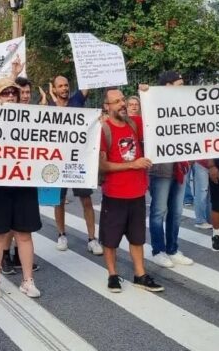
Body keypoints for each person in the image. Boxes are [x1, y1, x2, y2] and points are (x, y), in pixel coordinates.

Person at [99, 88, 164, 293]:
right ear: (107, 107)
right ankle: (112, 274)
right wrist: (132, 165)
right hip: (115, 194)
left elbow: (158, 120)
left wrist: (148, 93)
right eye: (116, 101)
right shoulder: (104, 130)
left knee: (137, 238)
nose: (122, 104)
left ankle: (140, 274)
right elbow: (103, 165)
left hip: (137, 193)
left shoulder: (134, 124)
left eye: (123, 99)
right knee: (110, 240)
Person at [0, 78, 42, 298]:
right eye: (4, 93)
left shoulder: (29, 117)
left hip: (24, 182)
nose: (10, 96)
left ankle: (28, 280)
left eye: (13, 93)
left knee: (24, 234)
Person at [47, 76, 101, 255]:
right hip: (58, 160)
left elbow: (89, 81)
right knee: (59, 201)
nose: (64, 88)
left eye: (66, 85)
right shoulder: (49, 108)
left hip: (79, 160)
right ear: (54, 89)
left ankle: (92, 239)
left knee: (86, 200)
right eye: (60, 86)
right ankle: (61, 235)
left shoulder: (77, 99)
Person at [149, 71, 193, 268]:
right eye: (179, 83)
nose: (183, 87)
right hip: (160, 169)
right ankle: (158, 250)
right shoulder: (153, 105)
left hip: (180, 166)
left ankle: (172, 248)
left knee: (176, 211)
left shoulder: (186, 108)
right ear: (167, 86)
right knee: (159, 210)